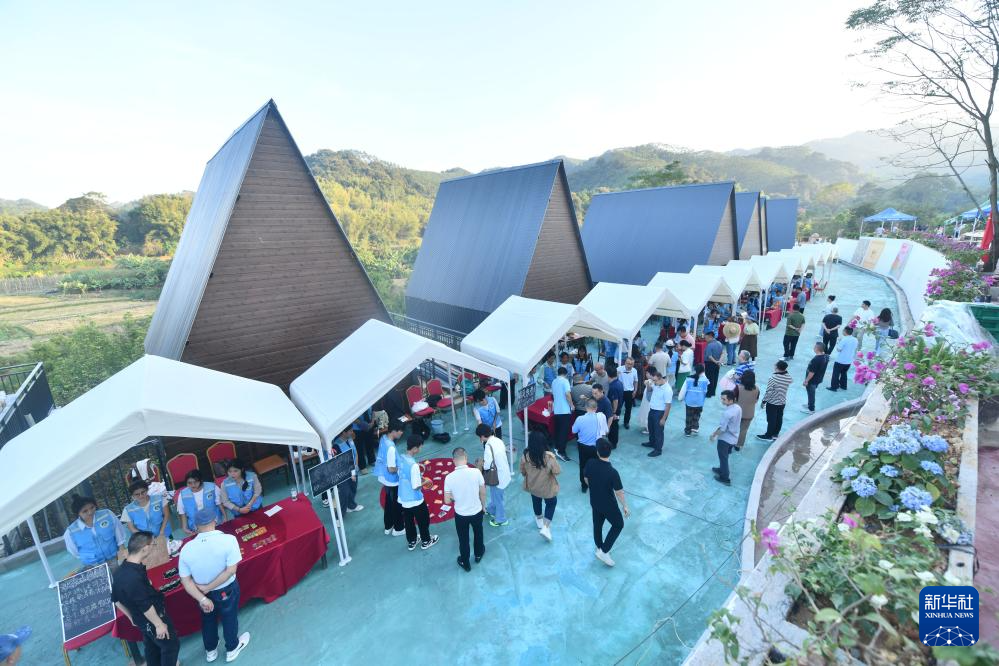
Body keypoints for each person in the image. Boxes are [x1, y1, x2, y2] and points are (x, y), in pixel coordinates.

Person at [179, 508, 250, 663]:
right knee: (229, 617)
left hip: (202, 593)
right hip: (226, 590)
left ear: (196, 525)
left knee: (208, 619)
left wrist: (203, 597)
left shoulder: (186, 549)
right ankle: (232, 648)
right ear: (215, 520)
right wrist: (209, 587)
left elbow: (186, 581)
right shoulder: (229, 540)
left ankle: (210, 650)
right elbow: (231, 570)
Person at [112, 531, 180, 666]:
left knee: (152, 648)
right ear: (144, 549)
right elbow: (145, 606)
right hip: (153, 620)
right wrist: (159, 624)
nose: (154, 547)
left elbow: (115, 599)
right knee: (170, 646)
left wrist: (131, 617)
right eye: (153, 544)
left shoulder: (121, 571)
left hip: (142, 622)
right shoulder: (133, 578)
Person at [584, 439, 630, 567]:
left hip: (594, 501)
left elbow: (586, 479)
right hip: (608, 504)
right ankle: (604, 551)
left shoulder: (590, 463)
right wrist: (625, 506)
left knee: (597, 525)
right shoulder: (613, 472)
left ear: (597, 452)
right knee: (618, 524)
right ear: (610, 452)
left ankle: (599, 547)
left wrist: (594, 488)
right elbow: (619, 492)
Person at [443, 448, 486, 572]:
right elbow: (483, 492)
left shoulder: (449, 478)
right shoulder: (476, 472)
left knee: (463, 539)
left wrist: (455, 497)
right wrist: (483, 506)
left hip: (461, 515)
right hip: (477, 511)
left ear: (453, 461)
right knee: (478, 533)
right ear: (466, 458)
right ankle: (478, 554)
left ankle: (465, 562)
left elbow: (447, 501)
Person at [396, 434, 439, 551]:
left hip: (403, 498)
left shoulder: (401, 458)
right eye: (420, 447)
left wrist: (418, 476)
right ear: (415, 448)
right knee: (423, 520)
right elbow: (415, 487)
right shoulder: (414, 466)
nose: (421, 449)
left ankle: (412, 541)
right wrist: (426, 482)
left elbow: (402, 475)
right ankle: (426, 541)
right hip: (415, 500)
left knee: (408, 521)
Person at [64, 495, 128, 569]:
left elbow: (120, 539)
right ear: (78, 513)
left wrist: (122, 559)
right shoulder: (70, 532)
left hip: (115, 559)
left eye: (92, 507)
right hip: (93, 566)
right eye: (85, 511)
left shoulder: (107, 514)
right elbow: (75, 553)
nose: (90, 512)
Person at [520, 431, 561, 541]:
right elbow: (557, 471)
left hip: (533, 486)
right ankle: (546, 527)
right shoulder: (549, 457)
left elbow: (522, 471)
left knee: (536, 500)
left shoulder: (525, 456)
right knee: (551, 503)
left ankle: (539, 519)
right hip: (547, 487)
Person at [121, 480, 172, 568]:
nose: (141, 496)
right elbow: (132, 528)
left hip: (164, 535)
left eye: (143, 492)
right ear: (132, 496)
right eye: (137, 494)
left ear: (147, 490)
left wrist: (161, 532)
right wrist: (147, 539)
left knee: (170, 559)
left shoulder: (159, 498)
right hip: (145, 542)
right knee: (153, 564)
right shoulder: (128, 509)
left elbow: (166, 515)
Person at [375, 420, 406, 537]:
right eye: (400, 431)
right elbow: (391, 469)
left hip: (383, 476)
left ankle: (388, 526)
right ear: (393, 431)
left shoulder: (383, 438)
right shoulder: (391, 447)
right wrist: (401, 468)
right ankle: (399, 528)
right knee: (397, 504)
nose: (402, 433)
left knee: (389, 501)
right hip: (391, 478)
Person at [476, 424, 511, 526]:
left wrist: (481, 463)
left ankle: (501, 519)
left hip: (496, 477)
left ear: (482, 436)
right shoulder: (498, 440)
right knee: (495, 495)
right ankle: (491, 510)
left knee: (497, 498)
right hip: (503, 473)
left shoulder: (488, 446)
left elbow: (487, 466)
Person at [177, 470, 225, 536]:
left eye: (195, 482)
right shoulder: (182, 494)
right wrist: (184, 528)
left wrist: (225, 517)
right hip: (196, 528)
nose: (193, 485)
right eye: (189, 483)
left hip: (215, 524)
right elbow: (182, 513)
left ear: (201, 480)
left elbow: (219, 504)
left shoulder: (212, 487)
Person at [710, 391, 742, 486]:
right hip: (734, 438)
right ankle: (721, 469)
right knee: (725, 456)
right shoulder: (738, 408)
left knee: (723, 458)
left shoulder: (727, 413)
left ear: (730, 400)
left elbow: (722, 429)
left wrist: (714, 434)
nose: (722, 401)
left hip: (725, 439)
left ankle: (725, 477)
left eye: (724, 399)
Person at [572, 400, 606, 492]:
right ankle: (595, 484)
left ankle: (584, 486)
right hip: (596, 447)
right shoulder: (601, 417)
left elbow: (573, 431)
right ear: (596, 408)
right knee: (596, 466)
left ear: (586, 408)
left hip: (583, 447)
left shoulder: (580, 419)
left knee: (583, 466)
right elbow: (605, 431)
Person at [330, 426, 364, 513]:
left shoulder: (350, 439)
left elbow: (355, 453)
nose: (352, 432)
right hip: (344, 473)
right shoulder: (336, 445)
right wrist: (351, 472)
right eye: (350, 431)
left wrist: (355, 467)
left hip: (354, 469)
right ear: (343, 432)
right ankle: (340, 514)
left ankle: (351, 506)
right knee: (344, 492)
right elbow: (339, 463)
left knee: (353, 488)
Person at [757, 360, 792, 441]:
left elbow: (769, 391)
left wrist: (763, 401)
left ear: (777, 367)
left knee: (771, 419)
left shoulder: (773, 378)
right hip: (782, 401)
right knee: (779, 418)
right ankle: (775, 434)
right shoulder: (788, 377)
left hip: (772, 402)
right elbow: (790, 379)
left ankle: (768, 435)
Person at [642, 368, 672, 457]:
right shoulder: (656, 384)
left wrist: (663, 419)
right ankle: (652, 442)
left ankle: (658, 450)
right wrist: (648, 385)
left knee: (658, 431)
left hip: (660, 413)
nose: (654, 382)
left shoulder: (667, 390)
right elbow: (650, 390)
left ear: (660, 378)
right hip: (652, 410)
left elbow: (668, 406)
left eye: (655, 381)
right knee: (651, 428)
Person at [678, 363, 709, 436]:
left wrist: (680, 398)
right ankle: (695, 427)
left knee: (689, 416)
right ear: (703, 371)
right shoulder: (705, 380)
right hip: (699, 402)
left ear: (695, 370)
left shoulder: (688, 379)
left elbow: (683, 390)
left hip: (689, 402)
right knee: (697, 415)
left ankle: (688, 431)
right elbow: (705, 392)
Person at [733, 370, 760, 450]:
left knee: (733, 427)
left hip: (737, 412)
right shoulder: (757, 389)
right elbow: (756, 400)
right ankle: (738, 445)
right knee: (743, 430)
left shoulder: (738, 388)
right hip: (749, 413)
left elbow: (733, 399)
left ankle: (730, 442)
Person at [551, 367, 573, 462]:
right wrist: (571, 405)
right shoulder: (565, 381)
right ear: (565, 374)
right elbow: (567, 394)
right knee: (563, 433)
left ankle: (557, 447)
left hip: (556, 410)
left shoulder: (554, 381)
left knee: (558, 430)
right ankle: (561, 452)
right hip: (564, 410)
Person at [828, 326, 858, 392]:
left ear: (845, 331)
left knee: (836, 374)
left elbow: (838, 349)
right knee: (844, 373)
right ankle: (843, 386)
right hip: (849, 360)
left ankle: (834, 387)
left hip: (840, 360)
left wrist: (838, 342)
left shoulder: (844, 339)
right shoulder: (855, 339)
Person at [802, 342, 829, 414]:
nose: (813, 348)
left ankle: (811, 409)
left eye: (814, 347)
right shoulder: (826, 356)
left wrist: (806, 381)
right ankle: (809, 404)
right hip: (818, 379)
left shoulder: (816, 360)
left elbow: (812, 372)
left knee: (811, 394)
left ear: (817, 349)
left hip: (812, 380)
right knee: (811, 393)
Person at [606, 367, 624, 447]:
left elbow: (615, 401)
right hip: (618, 409)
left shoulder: (613, 386)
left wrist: (613, 412)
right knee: (615, 425)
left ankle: (613, 443)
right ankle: (613, 441)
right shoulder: (619, 383)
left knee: (613, 426)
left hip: (614, 410)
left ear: (608, 375)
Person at [618, 356, 638, 428]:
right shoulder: (619, 369)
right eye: (628, 363)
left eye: (631, 364)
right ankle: (615, 421)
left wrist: (635, 390)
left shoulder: (634, 370)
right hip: (620, 391)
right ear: (625, 363)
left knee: (628, 408)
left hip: (630, 392)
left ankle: (626, 422)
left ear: (633, 364)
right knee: (618, 408)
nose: (629, 365)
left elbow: (636, 381)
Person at [703, 331, 724, 398]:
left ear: (710, 337)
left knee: (709, 378)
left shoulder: (709, 345)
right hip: (717, 363)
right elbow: (722, 353)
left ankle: (708, 393)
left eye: (706, 338)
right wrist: (719, 361)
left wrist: (715, 361)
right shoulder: (719, 343)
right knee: (715, 378)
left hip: (710, 363)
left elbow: (709, 356)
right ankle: (713, 392)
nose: (705, 340)